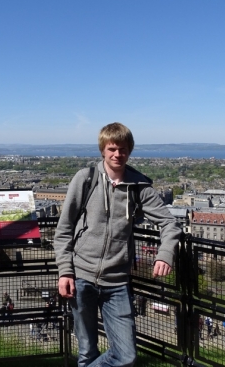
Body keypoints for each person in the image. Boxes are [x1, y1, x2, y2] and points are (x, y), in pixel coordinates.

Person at [54, 122, 182, 367]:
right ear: (103, 150)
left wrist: (165, 254)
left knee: (126, 356)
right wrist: (65, 271)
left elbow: (169, 223)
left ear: (129, 151)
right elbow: (64, 228)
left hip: (117, 282)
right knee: (87, 351)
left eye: (122, 149)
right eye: (112, 149)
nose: (117, 154)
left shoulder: (139, 187)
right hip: (81, 276)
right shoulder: (86, 179)